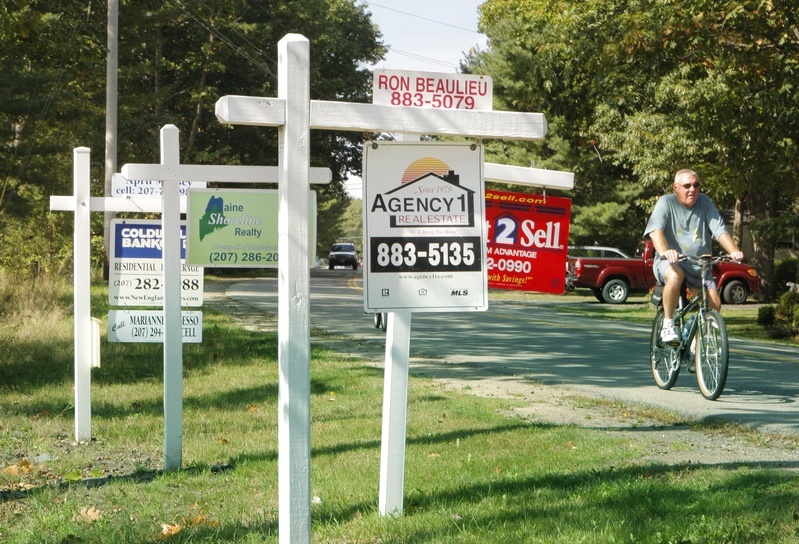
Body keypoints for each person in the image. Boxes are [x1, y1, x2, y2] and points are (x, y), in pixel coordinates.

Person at [644, 169, 744, 344]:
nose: (692, 189)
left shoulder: (704, 202)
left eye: (696, 185)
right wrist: (665, 251)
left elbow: (719, 230)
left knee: (714, 305)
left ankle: (694, 340)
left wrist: (733, 250)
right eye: (687, 185)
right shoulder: (666, 202)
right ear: (676, 187)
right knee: (675, 276)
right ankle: (668, 323)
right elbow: (655, 230)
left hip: (699, 263)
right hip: (671, 261)